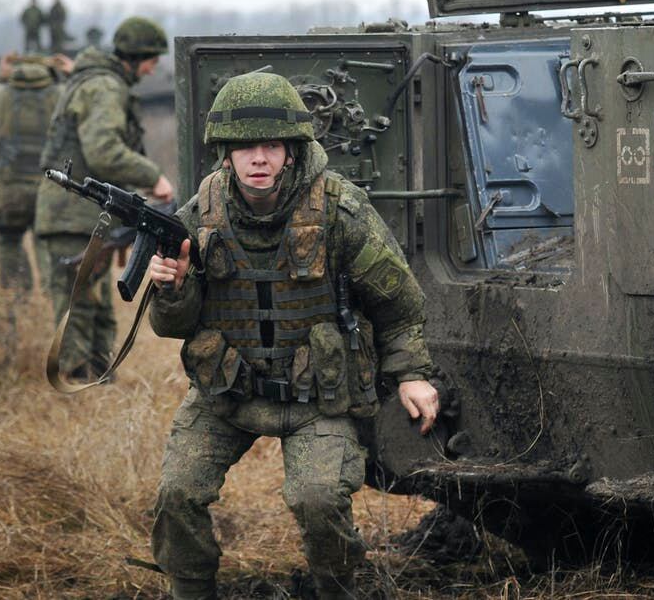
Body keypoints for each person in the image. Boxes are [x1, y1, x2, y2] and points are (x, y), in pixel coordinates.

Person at [144, 72, 441, 600]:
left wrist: (412, 376)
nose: (259, 159)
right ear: (225, 154)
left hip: (318, 399)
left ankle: (335, 589)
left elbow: (398, 303)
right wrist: (172, 289)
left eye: (272, 145)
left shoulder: (338, 210)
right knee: (178, 491)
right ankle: (190, 590)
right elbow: (175, 327)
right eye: (245, 148)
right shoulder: (201, 214)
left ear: (292, 150)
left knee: (318, 498)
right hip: (227, 394)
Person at [34, 16, 175, 382]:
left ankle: (98, 377)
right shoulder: (105, 88)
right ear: (137, 55)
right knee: (77, 301)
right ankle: (81, 381)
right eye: (152, 59)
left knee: (92, 301)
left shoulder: (99, 81)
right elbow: (104, 150)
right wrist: (152, 176)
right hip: (73, 213)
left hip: (81, 213)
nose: (154, 68)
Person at [0, 54, 66, 291]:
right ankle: (52, 300)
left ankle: (16, 296)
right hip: (51, 184)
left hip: (11, 185)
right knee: (48, 242)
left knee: (10, 238)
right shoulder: (62, 95)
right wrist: (65, 72)